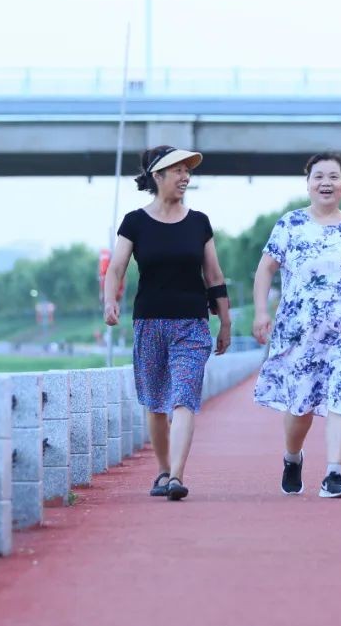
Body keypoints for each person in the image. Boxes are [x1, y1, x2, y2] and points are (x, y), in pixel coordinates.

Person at [103, 145, 231, 501]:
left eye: (187, 171)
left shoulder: (199, 222)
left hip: (192, 323)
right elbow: (116, 268)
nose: (185, 177)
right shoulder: (135, 222)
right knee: (156, 403)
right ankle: (162, 471)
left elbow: (214, 275)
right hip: (150, 322)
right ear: (157, 176)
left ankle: (176, 475)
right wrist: (110, 300)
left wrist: (225, 321)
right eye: (178, 170)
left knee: (184, 397)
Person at [252, 152, 341, 499]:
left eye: (334, 177)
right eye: (319, 176)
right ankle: (292, 457)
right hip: (301, 332)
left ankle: (334, 474)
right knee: (301, 407)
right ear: (308, 183)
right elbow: (266, 269)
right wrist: (261, 312)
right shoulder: (290, 224)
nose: (326, 183)